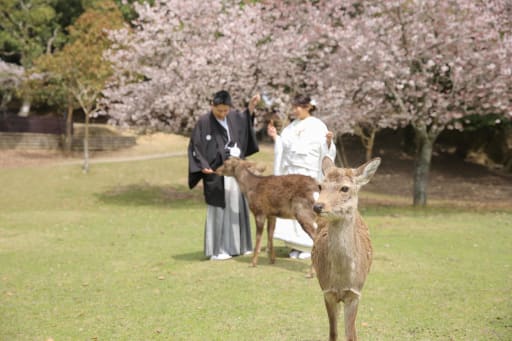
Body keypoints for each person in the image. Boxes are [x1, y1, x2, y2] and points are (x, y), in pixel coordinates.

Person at [188, 90, 260, 260]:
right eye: (219, 110)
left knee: (237, 207)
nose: (222, 113)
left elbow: (245, 122)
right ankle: (218, 250)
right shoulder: (204, 122)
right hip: (217, 172)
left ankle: (241, 246)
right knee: (219, 208)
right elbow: (195, 146)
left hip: (236, 170)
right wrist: (203, 165)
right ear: (212, 106)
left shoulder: (234, 117)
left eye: (225, 110)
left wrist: (251, 107)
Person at [266, 94, 336, 259]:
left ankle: (310, 245)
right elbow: (284, 147)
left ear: (308, 107)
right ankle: (294, 245)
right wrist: (276, 137)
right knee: (293, 209)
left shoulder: (318, 126)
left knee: (306, 209)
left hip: (308, 173)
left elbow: (327, 152)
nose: (295, 110)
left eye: (299, 106)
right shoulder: (291, 127)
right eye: (294, 106)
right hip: (292, 174)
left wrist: (328, 143)